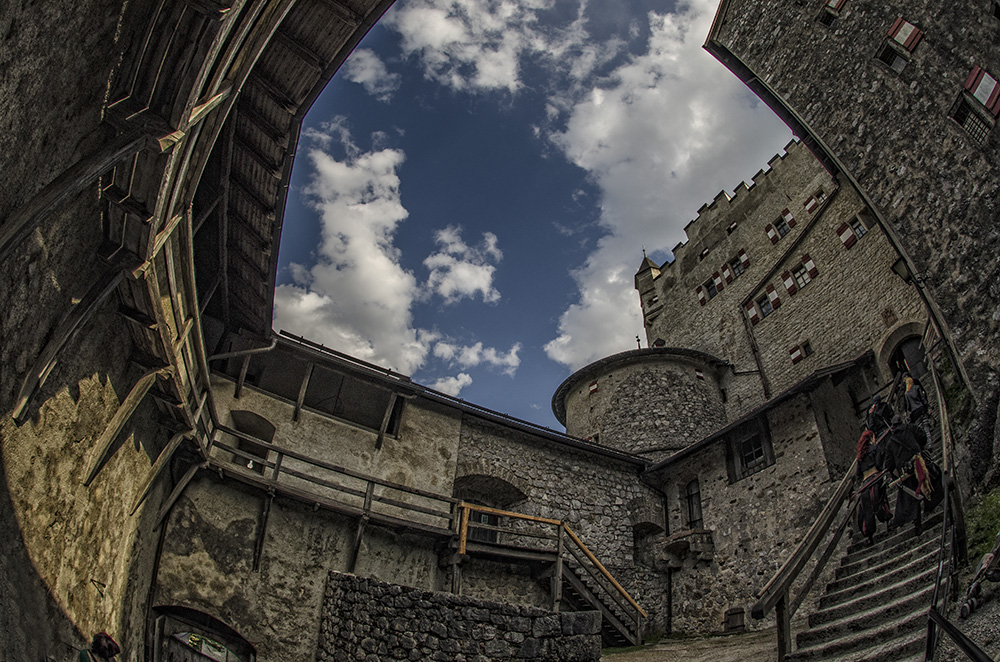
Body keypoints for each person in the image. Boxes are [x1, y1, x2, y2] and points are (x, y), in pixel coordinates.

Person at [880, 416, 935, 536]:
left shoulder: (890, 443)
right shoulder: (910, 428)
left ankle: (917, 522)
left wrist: (898, 475)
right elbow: (922, 436)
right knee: (931, 480)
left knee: (912, 497)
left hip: (906, 472)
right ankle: (931, 507)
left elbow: (889, 464)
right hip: (919, 465)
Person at [855, 429, 891, 545]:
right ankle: (887, 522)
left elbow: (858, 473)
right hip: (875, 479)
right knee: (881, 501)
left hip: (866, 483)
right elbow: (879, 464)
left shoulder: (860, 456)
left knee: (867, 510)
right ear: (871, 438)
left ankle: (870, 536)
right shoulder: (875, 449)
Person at [903, 374, 932, 442]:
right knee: (926, 427)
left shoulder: (906, 394)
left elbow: (908, 407)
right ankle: (930, 443)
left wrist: (907, 412)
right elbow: (923, 398)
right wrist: (928, 407)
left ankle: (925, 444)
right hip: (921, 409)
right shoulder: (917, 387)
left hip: (915, 413)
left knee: (920, 429)